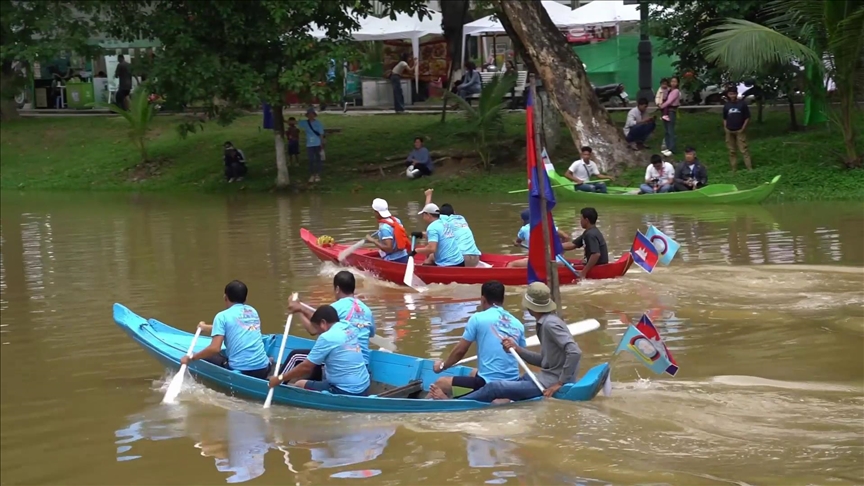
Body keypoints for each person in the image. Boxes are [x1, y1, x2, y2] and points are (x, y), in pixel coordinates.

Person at [455, 282, 583, 403]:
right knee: (526, 376)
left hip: (548, 383)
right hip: (544, 377)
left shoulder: (550, 324)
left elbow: (575, 352)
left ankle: (456, 403)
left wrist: (560, 383)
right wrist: (517, 349)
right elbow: (545, 361)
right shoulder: (546, 322)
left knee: (494, 387)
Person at [426, 281, 527, 399]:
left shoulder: (477, 318)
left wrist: (442, 366)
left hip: (489, 384)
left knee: (440, 383)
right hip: (512, 382)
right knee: (473, 372)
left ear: (483, 299)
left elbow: (460, 351)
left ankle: (421, 406)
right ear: (502, 299)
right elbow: (522, 356)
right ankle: (465, 397)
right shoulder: (518, 324)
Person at [268, 305, 371, 396]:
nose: (317, 333)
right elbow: (315, 323)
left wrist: (279, 378)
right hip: (364, 387)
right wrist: (300, 309)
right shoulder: (348, 326)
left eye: (317, 329)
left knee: (299, 384)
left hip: (346, 390)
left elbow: (306, 367)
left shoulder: (327, 337)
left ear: (323, 323)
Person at [286, 271, 376, 373]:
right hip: (363, 363)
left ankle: (277, 382)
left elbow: (313, 329)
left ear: (337, 289)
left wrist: (300, 309)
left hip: (344, 362)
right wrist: (300, 309)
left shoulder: (335, 308)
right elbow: (371, 334)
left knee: (298, 356)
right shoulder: (367, 310)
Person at [180, 280, 271, 380]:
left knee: (208, 356)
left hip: (242, 371)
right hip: (263, 369)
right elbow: (234, 328)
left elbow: (215, 349)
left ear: (225, 297)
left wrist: (192, 358)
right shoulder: (252, 311)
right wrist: (205, 327)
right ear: (246, 298)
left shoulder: (222, 316)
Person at [423, 189, 481, 267]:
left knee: (431, 254)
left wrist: (428, 196)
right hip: (475, 259)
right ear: (454, 213)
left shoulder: (444, 220)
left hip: (462, 258)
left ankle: (427, 272)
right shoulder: (461, 218)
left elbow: (429, 212)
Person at [411, 203, 465, 267]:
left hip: (449, 264)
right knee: (431, 256)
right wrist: (421, 235)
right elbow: (439, 236)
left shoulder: (432, 227)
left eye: (423, 214)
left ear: (428, 215)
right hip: (460, 261)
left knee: (429, 256)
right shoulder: (444, 221)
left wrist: (415, 251)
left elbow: (432, 249)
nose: (422, 217)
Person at [560, 207, 608, 278]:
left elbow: (596, 254)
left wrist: (583, 272)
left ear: (586, 220)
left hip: (599, 267)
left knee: (560, 265)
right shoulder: (589, 232)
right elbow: (573, 244)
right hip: (593, 264)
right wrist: (554, 246)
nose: (580, 221)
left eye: (581, 219)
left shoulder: (590, 235)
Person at [367, 198, 410, 264]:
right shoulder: (396, 220)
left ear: (377, 212)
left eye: (374, 211)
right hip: (404, 255)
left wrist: (373, 241)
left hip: (393, 260)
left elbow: (389, 248)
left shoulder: (384, 228)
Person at [723, 86, 753, 171]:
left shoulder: (742, 104)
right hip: (729, 130)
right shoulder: (727, 105)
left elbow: (747, 117)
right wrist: (725, 128)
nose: (732, 96)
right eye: (730, 94)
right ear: (728, 95)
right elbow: (724, 118)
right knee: (732, 151)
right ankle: (734, 169)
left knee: (744, 150)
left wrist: (743, 128)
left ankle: (749, 168)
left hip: (739, 130)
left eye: (734, 94)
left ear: (736, 94)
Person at [298, 108, 325, 183]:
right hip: (309, 144)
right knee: (311, 160)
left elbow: (321, 134)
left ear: (314, 115)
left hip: (317, 143)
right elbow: (295, 122)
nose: (310, 116)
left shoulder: (318, 123)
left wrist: (322, 143)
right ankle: (312, 174)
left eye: (312, 114)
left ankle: (317, 174)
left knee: (318, 159)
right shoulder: (305, 123)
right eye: (309, 114)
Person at [660, 76, 680, 155]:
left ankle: (672, 148)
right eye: (672, 81)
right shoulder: (669, 90)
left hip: (671, 111)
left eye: (675, 81)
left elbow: (669, 101)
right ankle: (667, 147)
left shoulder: (676, 91)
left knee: (670, 130)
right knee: (666, 130)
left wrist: (662, 106)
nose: (673, 83)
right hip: (666, 110)